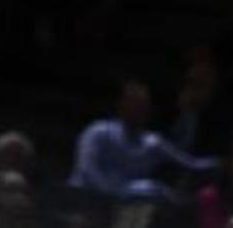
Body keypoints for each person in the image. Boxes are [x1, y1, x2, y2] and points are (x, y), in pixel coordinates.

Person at [69, 81, 218, 204]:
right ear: (122, 106)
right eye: (133, 105)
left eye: (143, 106)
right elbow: (87, 169)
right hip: (85, 198)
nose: (138, 111)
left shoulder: (152, 143)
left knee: (154, 191)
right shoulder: (98, 132)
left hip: (123, 205)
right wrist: (115, 194)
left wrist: (220, 163)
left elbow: (191, 163)